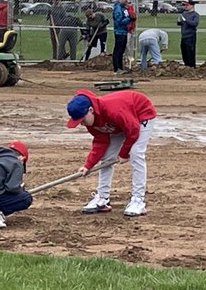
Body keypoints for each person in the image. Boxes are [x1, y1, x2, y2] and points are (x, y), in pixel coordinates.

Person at [65, 88, 156, 217]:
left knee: (136, 153)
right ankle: (102, 198)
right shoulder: (91, 122)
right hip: (120, 124)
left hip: (141, 114)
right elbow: (100, 142)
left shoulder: (114, 111)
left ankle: (138, 200)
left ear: (91, 110)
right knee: (107, 157)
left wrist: (124, 153)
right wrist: (88, 165)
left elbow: (133, 130)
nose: (81, 124)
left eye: (82, 120)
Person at [111, 0, 132, 73]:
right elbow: (118, 22)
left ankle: (120, 67)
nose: (126, 0)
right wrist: (129, 19)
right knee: (118, 50)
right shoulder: (118, 8)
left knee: (122, 51)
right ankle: (116, 68)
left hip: (124, 32)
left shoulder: (124, 8)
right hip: (119, 32)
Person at [176, 0, 200, 67]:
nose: (185, 6)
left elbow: (194, 23)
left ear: (192, 6)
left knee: (190, 52)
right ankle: (186, 65)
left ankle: (192, 66)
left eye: (187, 5)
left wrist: (186, 20)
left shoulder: (195, 15)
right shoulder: (184, 14)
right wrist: (179, 21)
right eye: (184, 5)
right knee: (184, 51)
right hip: (184, 36)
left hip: (190, 36)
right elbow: (181, 23)